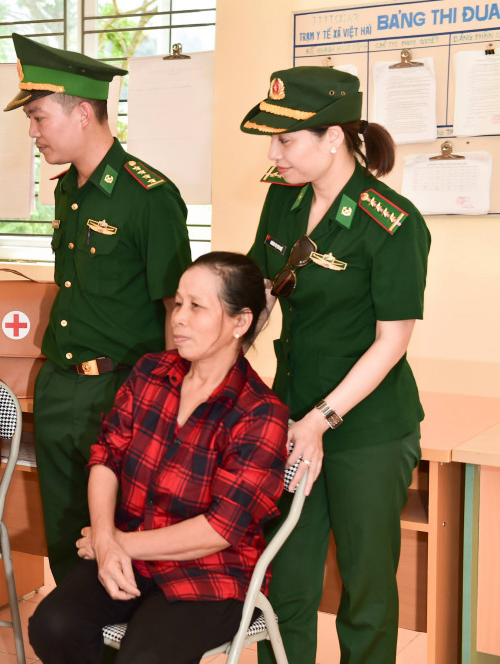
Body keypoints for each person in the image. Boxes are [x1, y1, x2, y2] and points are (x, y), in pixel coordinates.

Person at [241, 66, 431, 664]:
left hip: (366, 431)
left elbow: (392, 342)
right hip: (290, 417)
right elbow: (262, 292)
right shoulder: (284, 198)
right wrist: (223, 358)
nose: (274, 154)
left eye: (285, 140)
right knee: (285, 579)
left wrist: (320, 421)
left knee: (365, 588)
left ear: (332, 137)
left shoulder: (392, 222)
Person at [27, 252, 289, 663]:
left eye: (197, 307)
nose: (178, 318)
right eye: (179, 303)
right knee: (52, 625)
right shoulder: (151, 372)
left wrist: (115, 543)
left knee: (144, 658)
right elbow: (106, 457)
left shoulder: (260, 412)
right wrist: (104, 538)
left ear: (240, 322)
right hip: (130, 554)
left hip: (210, 575)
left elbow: (220, 529)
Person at [3, 33, 192, 582]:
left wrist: (166, 406)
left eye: (39, 117)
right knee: (65, 535)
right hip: (59, 384)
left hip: (121, 391)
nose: (33, 132)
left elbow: (176, 313)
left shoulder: (149, 197)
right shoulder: (69, 190)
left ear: (83, 113)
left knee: (119, 536)